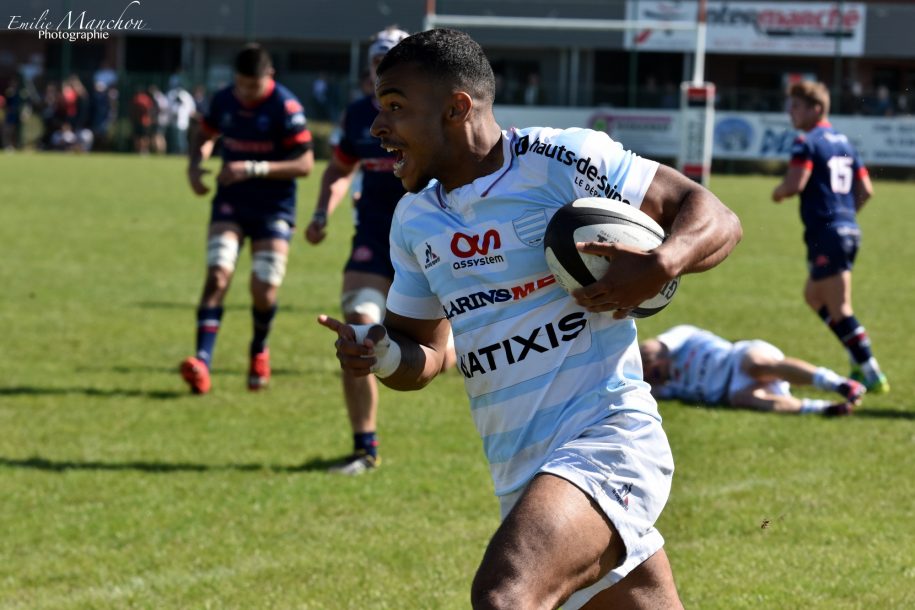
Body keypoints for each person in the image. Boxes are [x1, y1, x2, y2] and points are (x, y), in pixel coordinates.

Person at [319, 29, 741, 609]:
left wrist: (661, 263)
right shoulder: (414, 221)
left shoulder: (558, 159)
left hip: (608, 440)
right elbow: (429, 353)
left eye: (394, 106)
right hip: (521, 471)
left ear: (456, 108)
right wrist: (382, 354)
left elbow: (713, 215)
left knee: (505, 595)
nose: (377, 127)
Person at [305, 27, 415, 474]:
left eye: (392, 59)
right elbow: (338, 168)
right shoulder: (356, 116)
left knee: (455, 347)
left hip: (429, 246)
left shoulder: (426, 115)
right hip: (372, 241)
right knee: (358, 329)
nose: (382, 67)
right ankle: (364, 449)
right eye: (377, 61)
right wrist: (320, 213)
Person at [180, 43, 314, 394]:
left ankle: (258, 349)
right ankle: (202, 363)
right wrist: (195, 165)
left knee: (264, 289)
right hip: (231, 203)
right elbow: (205, 133)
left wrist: (252, 167)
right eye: (240, 84)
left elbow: (305, 164)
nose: (244, 93)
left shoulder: (286, 107)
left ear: (269, 77)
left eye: (251, 86)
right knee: (217, 275)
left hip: (274, 207)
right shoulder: (224, 99)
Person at [772, 81, 888, 394]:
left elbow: (796, 183)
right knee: (814, 296)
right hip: (846, 230)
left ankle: (870, 371)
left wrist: (779, 192)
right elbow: (866, 190)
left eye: (796, 106)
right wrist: (846, 216)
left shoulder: (806, 142)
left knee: (841, 308)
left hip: (827, 233)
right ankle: (856, 358)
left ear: (816, 109)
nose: (791, 112)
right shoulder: (845, 143)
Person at [640, 325, 866, 416]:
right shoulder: (668, 389)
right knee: (744, 399)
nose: (651, 374)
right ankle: (824, 409)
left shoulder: (679, 339)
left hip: (738, 358)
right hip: (732, 389)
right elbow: (643, 395)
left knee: (757, 366)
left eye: (649, 368)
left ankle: (838, 383)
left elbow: (653, 346)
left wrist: (646, 352)